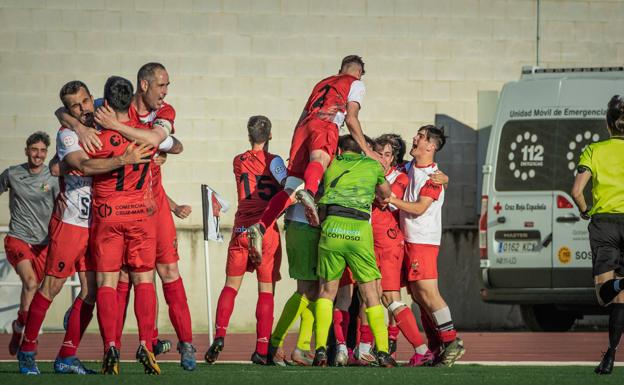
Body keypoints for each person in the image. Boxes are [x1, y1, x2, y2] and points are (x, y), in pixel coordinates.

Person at [57, 63, 195, 370]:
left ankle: (168, 344)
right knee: (136, 277)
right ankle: (143, 342)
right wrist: (81, 127)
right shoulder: (110, 122)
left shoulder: (110, 126)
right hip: (139, 211)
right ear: (142, 86)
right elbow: (65, 112)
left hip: (122, 211)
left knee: (154, 275)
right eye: (162, 86)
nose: (166, 93)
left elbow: (172, 143)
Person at [16, 81, 152, 375]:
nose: (82, 109)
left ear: (93, 98)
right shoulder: (67, 134)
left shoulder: (102, 113)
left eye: (85, 102)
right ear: (68, 110)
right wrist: (121, 159)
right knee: (51, 286)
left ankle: (67, 355)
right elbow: (85, 166)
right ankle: (27, 349)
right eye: (74, 107)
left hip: (98, 223)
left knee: (90, 291)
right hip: (70, 223)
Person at [247, 55, 381, 261]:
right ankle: (309, 193)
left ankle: (261, 225)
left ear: (340, 68)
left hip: (302, 130)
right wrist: (368, 150)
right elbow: (351, 117)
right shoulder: (355, 83)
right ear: (359, 72)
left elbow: (302, 117)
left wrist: (297, 145)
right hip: (325, 122)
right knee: (320, 159)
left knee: (291, 187)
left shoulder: (322, 83)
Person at [89, 76, 160, 375]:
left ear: (105, 103)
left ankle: (111, 346)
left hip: (107, 214)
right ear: (131, 100)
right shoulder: (145, 134)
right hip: (140, 216)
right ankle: (145, 342)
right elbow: (168, 146)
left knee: (106, 283)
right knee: (144, 280)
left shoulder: (95, 138)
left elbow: (82, 165)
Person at [205, 116, 286, 365]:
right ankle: (261, 351)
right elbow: (286, 186)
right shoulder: (275, 161)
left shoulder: (238, 161)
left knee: (231, 286)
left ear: (249, 136)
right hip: (265, 229)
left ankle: (219, 335)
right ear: (270, 135)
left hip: (241, 227)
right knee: (266, 290)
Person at [312, 134, 396, 368]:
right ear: (361, 149)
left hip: (332, 227)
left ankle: (320, 350)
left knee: (327, 292)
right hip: (359, 230)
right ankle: (381, 351)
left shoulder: (331, 163)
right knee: (371, 294)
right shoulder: (371, 164)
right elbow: (386, 193)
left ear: (339, 149)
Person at [385, 125, 464, 367]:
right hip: (407, 240)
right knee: (418, 296)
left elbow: (419, 208)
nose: (414, 138)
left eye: (420, 136)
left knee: (429, 293)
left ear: (431, 146)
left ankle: (452, 342)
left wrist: (392, 199)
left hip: (423, 242)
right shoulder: (409, 167)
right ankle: (435, 344)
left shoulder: (434, 177)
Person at [571, 95, 624, 375]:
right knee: (622, 299)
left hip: (604, 224)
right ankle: (611, 354)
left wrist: (584, 211)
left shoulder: (594, 150)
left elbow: (577, 191)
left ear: (608, 125)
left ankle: (610, 357)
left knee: (606, 295)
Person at [372, 134, 435, 366]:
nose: (382, 158)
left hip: (389, 243)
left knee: (391, 297)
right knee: (368, 294)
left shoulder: (399, 176)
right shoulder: (372, 171)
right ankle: (365, 349)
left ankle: (420, 349)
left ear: (393, 158)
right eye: (378, 153)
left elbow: (384, 198)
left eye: (387, 154)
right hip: (368, 241)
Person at [1, 132, 58, 358]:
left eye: (43, 150)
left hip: (43, 244)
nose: (38, 154)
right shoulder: (13, 174)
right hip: (18, 238)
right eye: (34, 149)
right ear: (26, 151)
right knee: (31, 283)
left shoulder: (52, 177)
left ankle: (19, 328)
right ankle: (24, 339)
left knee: (38, 293)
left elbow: (63, 204)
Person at [268, 201, 318, 366]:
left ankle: (302, 348)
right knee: (305, 290)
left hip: (308, 224)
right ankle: (275, 342)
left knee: (315, 292)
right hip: (305, 225)